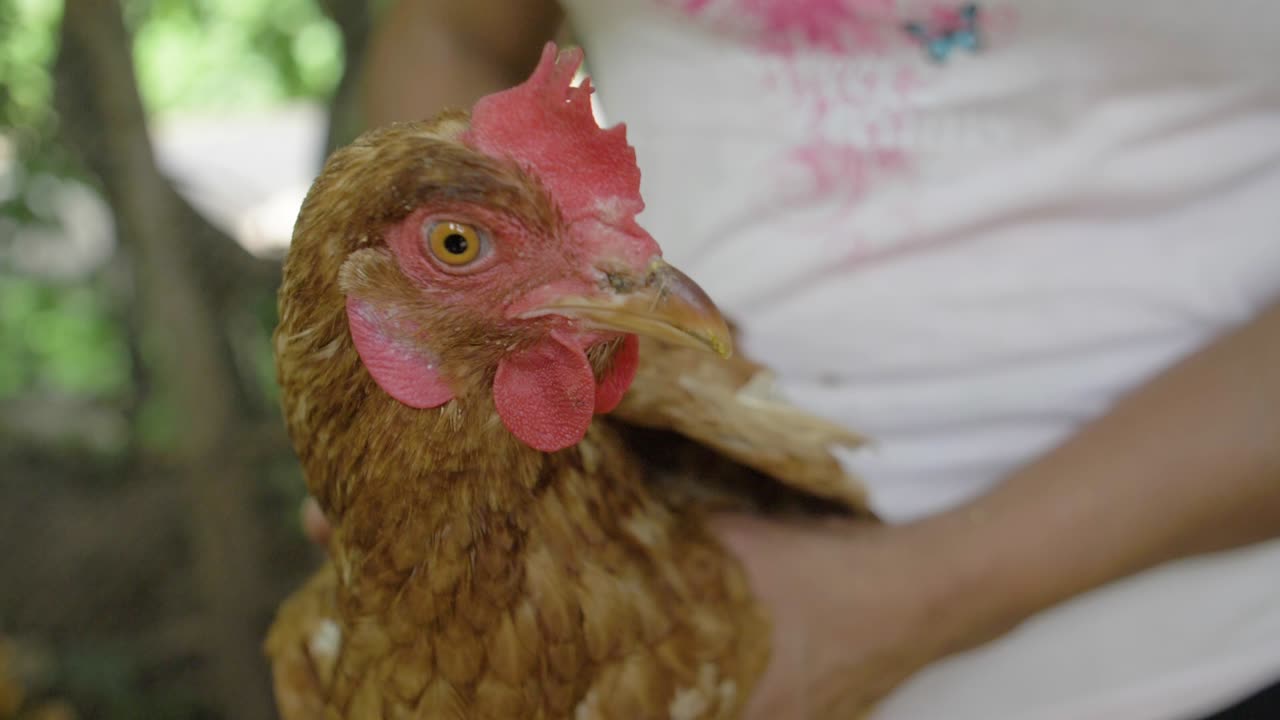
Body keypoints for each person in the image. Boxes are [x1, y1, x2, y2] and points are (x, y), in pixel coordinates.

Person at [334, 1, 1280, 717]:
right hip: (640, 601)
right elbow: (453, 31)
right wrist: (414, 431)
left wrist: (898, 603)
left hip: (1206, 649)